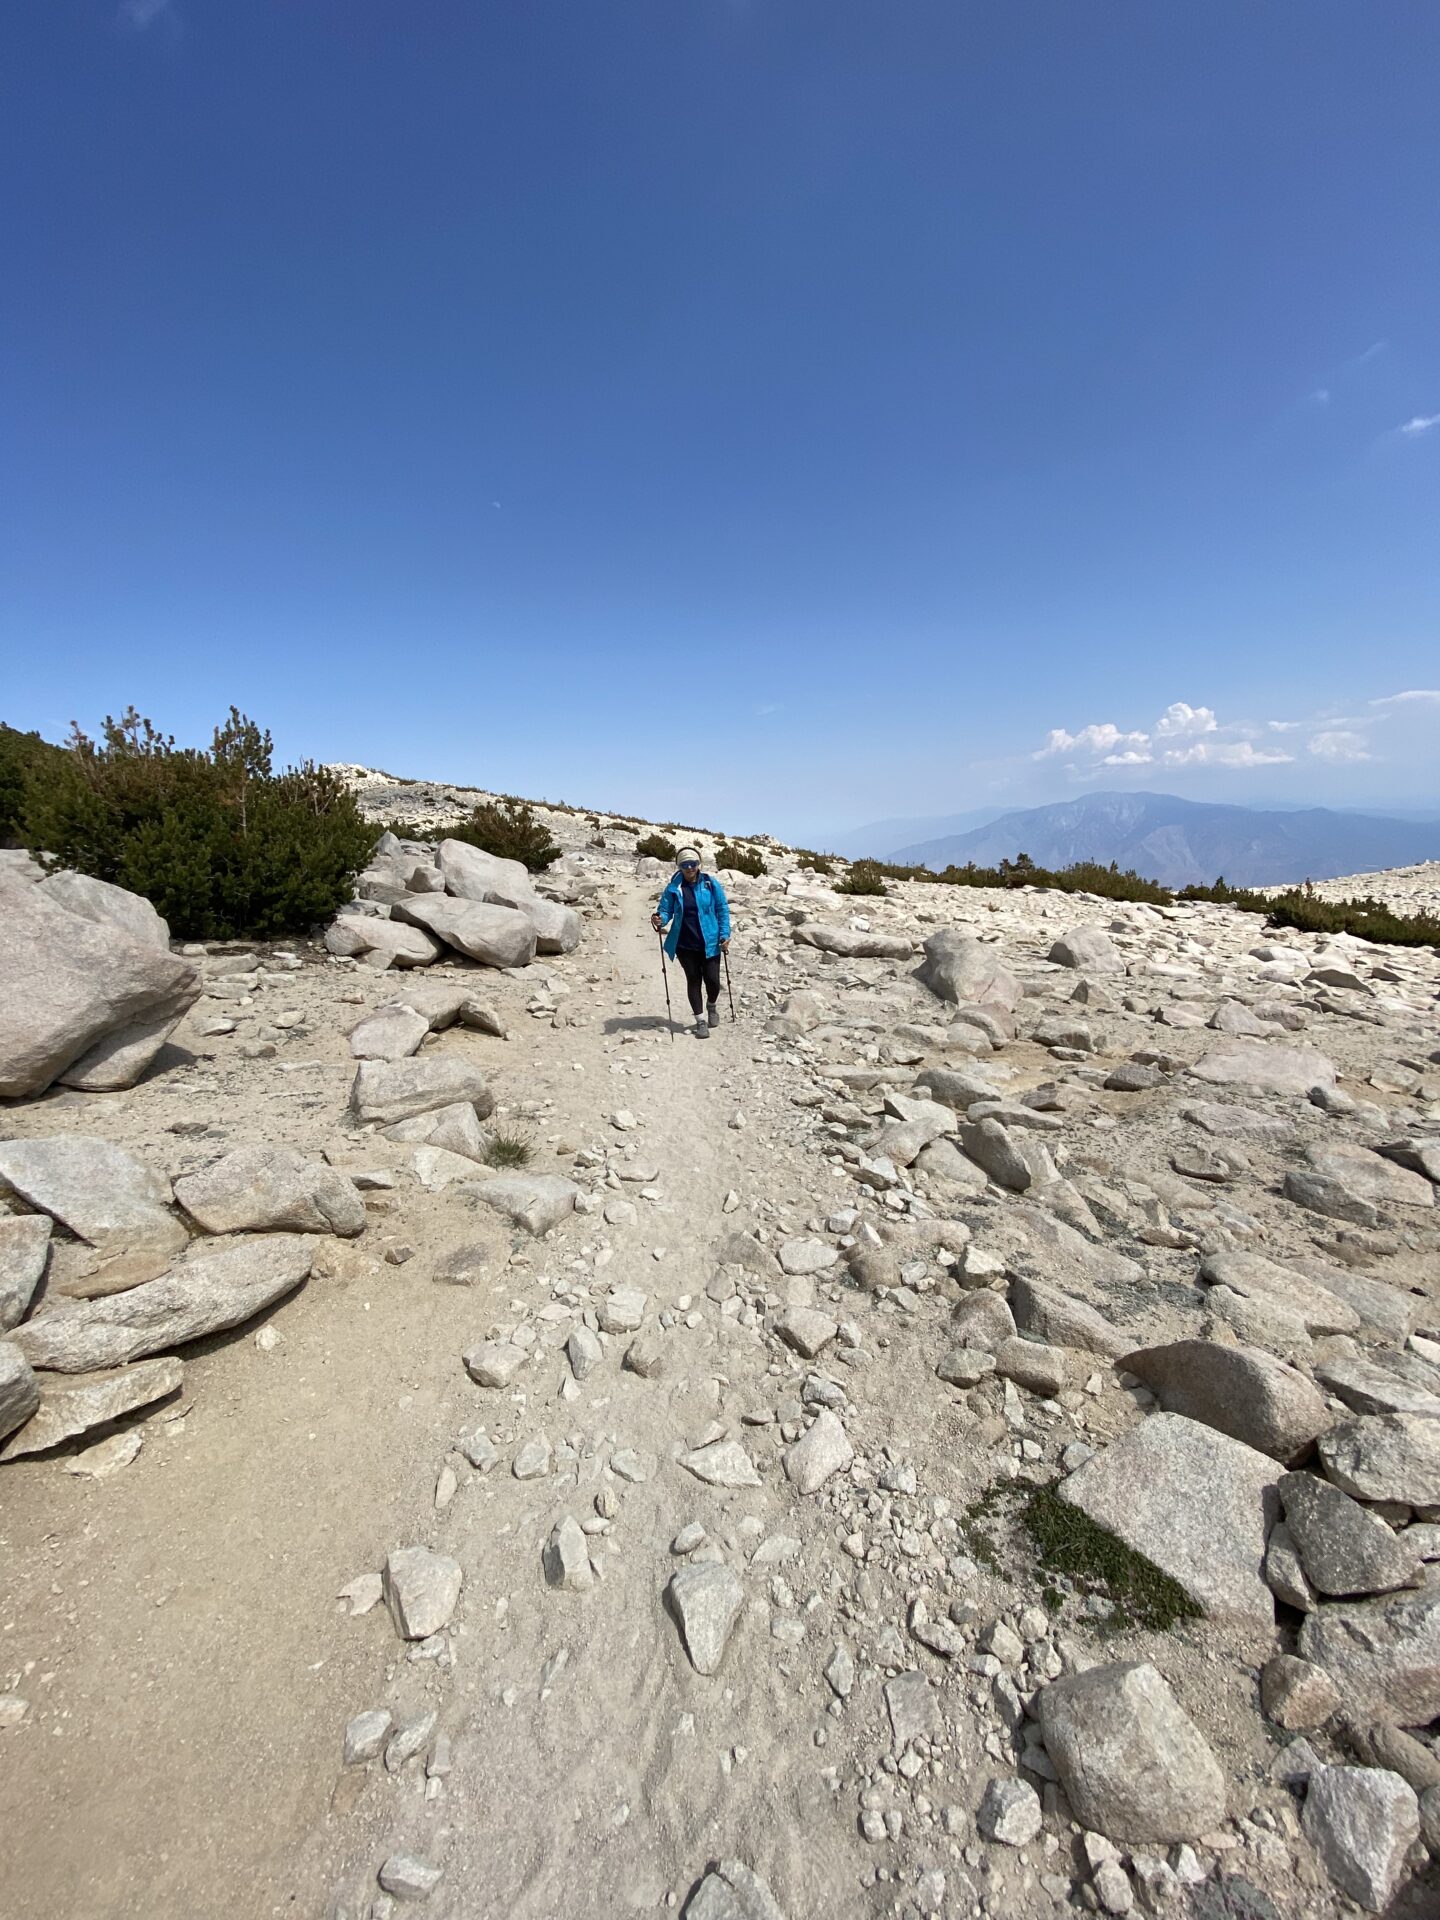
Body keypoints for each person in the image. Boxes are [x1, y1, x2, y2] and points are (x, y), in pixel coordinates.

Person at [651, 847, 730, 1038]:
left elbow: (722, 908)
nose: (689, 868)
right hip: (685, 943)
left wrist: (725, 933)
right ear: (679, 866)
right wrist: (660, 918)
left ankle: (711, 1005)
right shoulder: (673, 887)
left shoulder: (710, 883)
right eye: (684, 865)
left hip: (710, 941)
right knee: (693, 980)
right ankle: (700, 1020)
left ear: (698, 864)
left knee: (713, 981)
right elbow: (666, 910)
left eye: (693, 864)